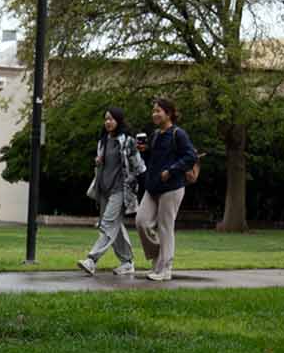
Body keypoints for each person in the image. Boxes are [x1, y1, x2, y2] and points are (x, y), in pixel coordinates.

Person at [133, 97, 197, 282]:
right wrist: (144, 151)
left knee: (165, 228)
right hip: (153, 187)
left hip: (172, 187)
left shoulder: (178, 134)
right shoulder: (155, 135)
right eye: (153, 111)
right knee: (141, 222)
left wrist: (172, 170)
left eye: (158, 111)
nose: (154, 114)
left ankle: (165, 268)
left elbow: (191, 156)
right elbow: (153, 160)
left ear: (168, 113)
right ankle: (158, 258)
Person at [77, 108, 143, 278]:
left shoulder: (127, 141)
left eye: (112, 119)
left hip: (121, 190)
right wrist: (98, 162)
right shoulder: (104, 140)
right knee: (115, 228)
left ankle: (91, 260)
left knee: (106, 224)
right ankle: (127, 262)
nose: (108, 122)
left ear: (119, 121)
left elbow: (139, 167)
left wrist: (133, 186)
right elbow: (104, 166)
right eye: (106, 119)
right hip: (105, 190)